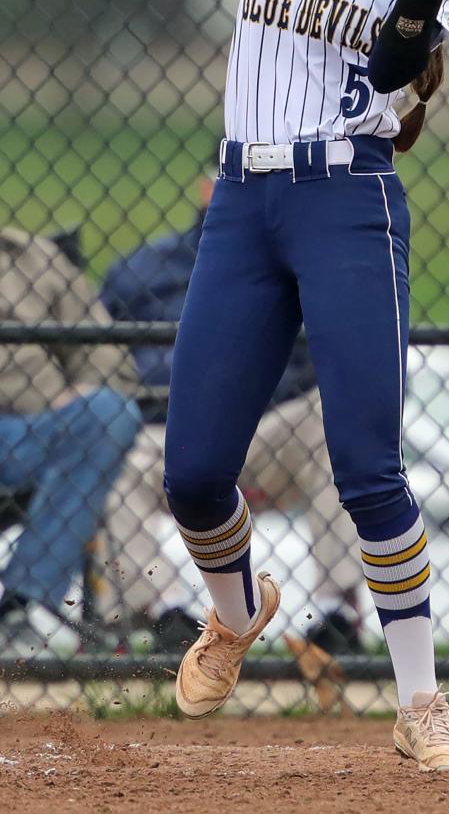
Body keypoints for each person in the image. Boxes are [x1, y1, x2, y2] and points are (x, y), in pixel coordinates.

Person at [159, 0, 449, 771]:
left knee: (368, 468)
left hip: (348, 202)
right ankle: (235, 613)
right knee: (193, 474)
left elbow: (394, 67)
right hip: (245, 202)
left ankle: (421, 702)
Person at [99, 172, 361, 657]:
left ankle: (335, 613)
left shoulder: (294, 256)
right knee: (111, 454)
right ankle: (168, 614)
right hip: (167, 433)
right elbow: (102, 362)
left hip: (272, 426)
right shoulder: (139, 270)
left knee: (329, 424)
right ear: (207, 188)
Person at [0, 228, 143, 658]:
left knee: (107, 412)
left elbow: (108, 359)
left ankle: (18, 605)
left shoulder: (30, 257)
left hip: (29, 434)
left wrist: (83, 388)